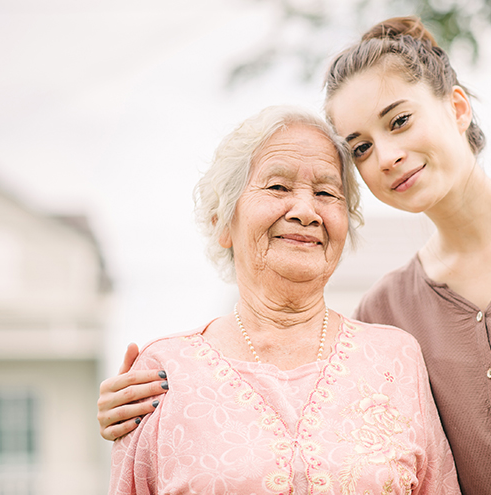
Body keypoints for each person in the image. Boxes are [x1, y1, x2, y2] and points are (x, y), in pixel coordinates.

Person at [99, 17, 491, 494]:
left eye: (400, 121)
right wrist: (137, 408)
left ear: (457, 108)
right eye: (361, 147)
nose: (387, 155)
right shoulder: (388, 311)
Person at [105, 105, 460, 494]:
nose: (307, 211)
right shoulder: (165, 372)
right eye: (278, 187)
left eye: (326, 192)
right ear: (222, 222)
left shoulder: (397, 358)